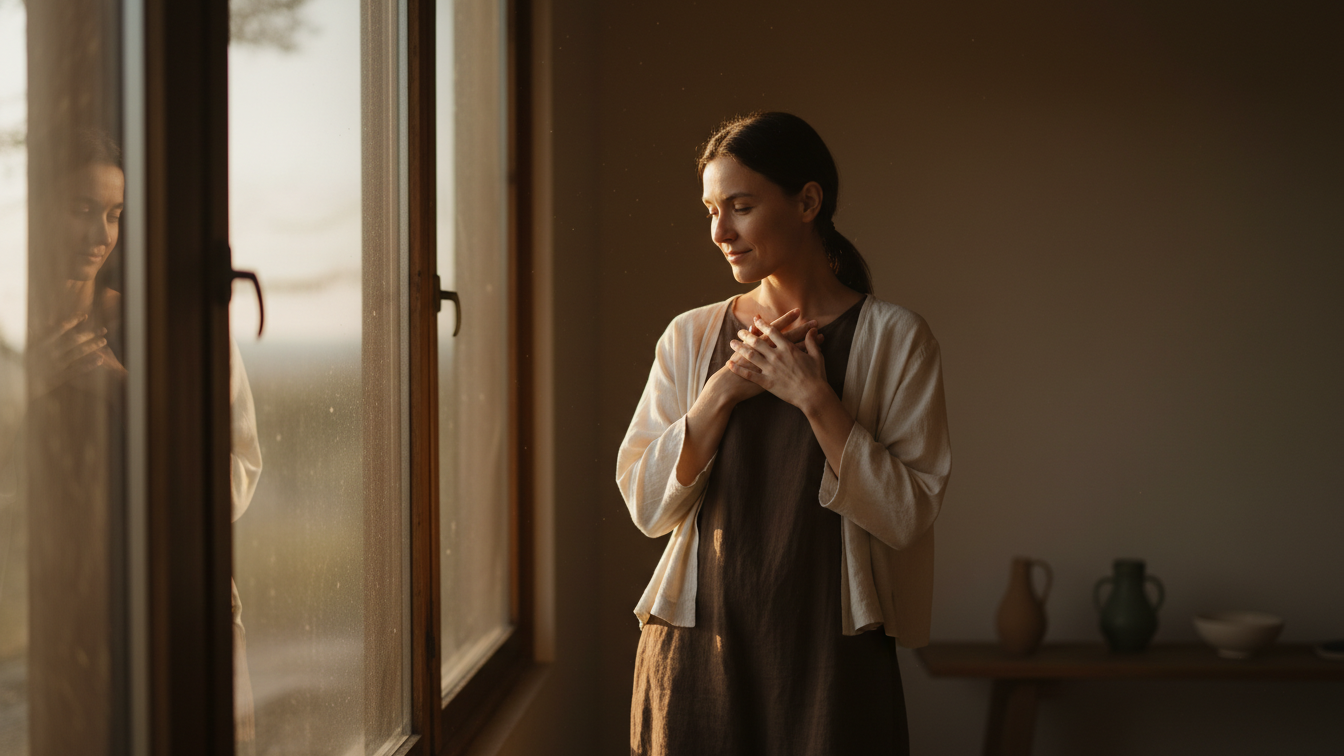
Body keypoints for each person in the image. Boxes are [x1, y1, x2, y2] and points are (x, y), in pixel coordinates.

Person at [617, 112, 952, 755]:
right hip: (696, 651)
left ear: (807, 201)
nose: (720, 232)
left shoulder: (898, 339)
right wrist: (721, 391)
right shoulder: (690, 338)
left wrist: (814, 398)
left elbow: (907, 515)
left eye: (740, 207)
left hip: (833, 655)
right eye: (711, 211)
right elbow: (646, 504)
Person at [24, 127, 263, 752]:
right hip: (45, 630)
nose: (102, 235)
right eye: (82, 210)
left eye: (116, 213)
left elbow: (230, 484)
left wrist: (120, 388)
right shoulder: (16, 345)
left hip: (181, 612)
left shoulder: (171, 329)